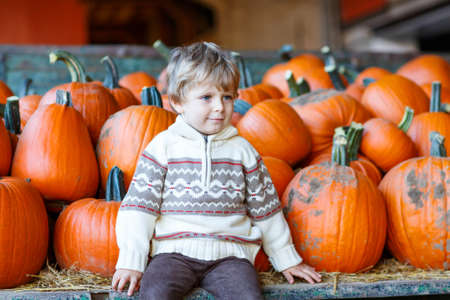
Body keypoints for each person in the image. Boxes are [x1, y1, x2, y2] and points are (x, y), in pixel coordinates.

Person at [111, 41, 321, 299]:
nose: (220, 107)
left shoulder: (243, 152)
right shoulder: (163, 148)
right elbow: (140, 208)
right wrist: (131, 259)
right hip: (173, 254)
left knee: (249, 297)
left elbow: (266, 210)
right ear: (177, 102)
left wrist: (287, 258)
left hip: (230, 257)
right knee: (154, 293)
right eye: (206, 97)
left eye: (227, 97)